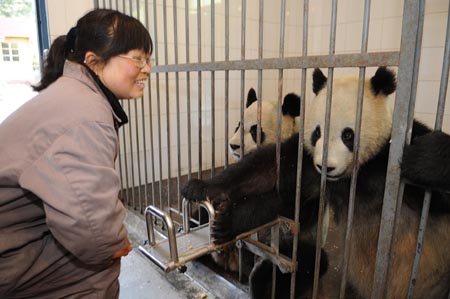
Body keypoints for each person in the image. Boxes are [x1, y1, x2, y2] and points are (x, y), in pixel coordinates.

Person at [0, 8, 152, 299]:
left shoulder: (72, 93)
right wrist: (115, 243)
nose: (146, 68)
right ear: (94, 62)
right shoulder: (87, 114)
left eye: (148, 59)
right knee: (98, 268)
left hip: (15, 234)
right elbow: (90, 229)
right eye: (137, 58)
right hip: (9, 251)